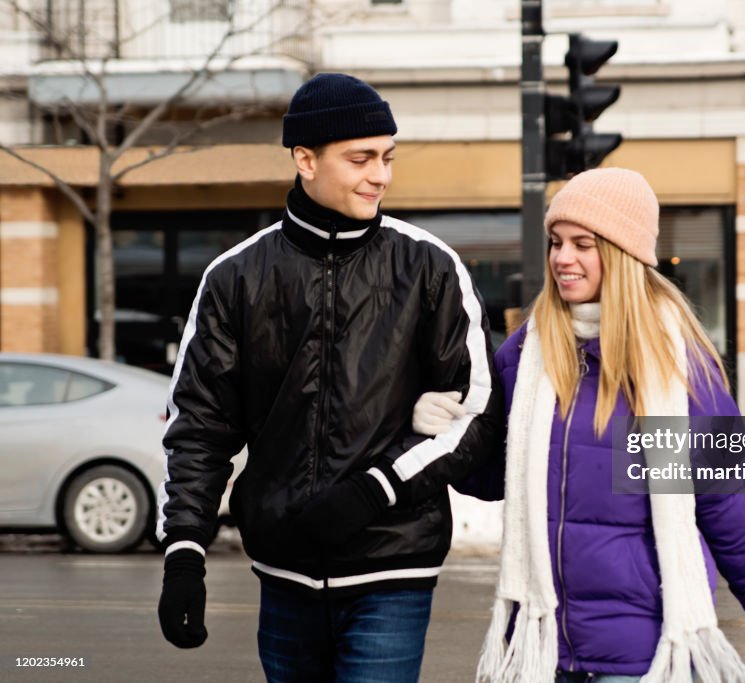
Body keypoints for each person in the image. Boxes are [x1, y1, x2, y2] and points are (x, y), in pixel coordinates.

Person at [415, 168, 745, 682]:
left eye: (583, 244)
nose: (562, 258)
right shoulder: (529, 353)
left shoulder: (677, 370)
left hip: (640, 654)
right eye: (556, 242)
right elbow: (491, 474)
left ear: (622, 254)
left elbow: (733, 518)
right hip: (539, 650)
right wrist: (447, 431)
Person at [156, 72, 503, 682]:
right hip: (283, 572)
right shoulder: (235, 278)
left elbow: (476, 412)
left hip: (392, 567)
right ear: (305, 158)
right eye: (361, 158)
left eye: (388, 157)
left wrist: (374, 490)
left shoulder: (430, 267)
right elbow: (201, 426)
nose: (381, 175)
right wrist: (185, 551)